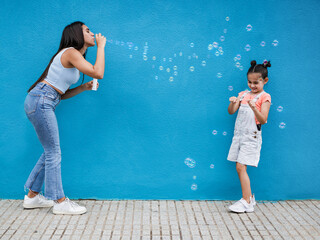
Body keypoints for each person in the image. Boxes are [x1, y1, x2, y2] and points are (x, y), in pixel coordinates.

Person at [23, 21, 106, 215]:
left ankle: (32, 197)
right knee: (53, 152)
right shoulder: (71, 52)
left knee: (49, 151)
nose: (92, 33)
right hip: (41, 100)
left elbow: (61, 93)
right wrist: (101, 47)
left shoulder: (73, 56)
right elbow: (98, 72)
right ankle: (59, 201)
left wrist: (83, 88)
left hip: (43, 99)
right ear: (77, 34)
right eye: (88, 30)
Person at [227, 60, 271, 213]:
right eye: (250, 82)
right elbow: (231, 111)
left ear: (265, 81)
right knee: (239, 167)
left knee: (240, 167)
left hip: (251, 137)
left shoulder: (264, 97)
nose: (252, 86)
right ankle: (249, 199)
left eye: (256, 82)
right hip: (239, 136)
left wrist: (253, 107)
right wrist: (233, 102)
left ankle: (246, 200)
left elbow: (264, 119)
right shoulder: (243, 94)